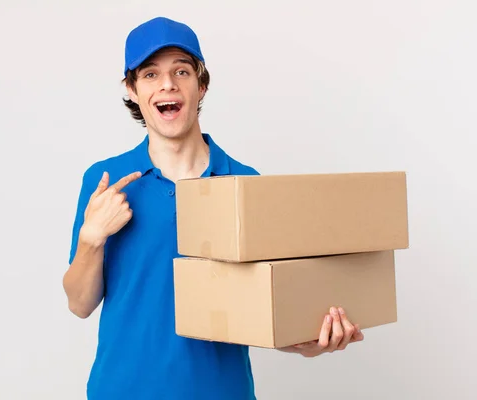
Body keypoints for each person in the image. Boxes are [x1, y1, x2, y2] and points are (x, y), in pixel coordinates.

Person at [63, 16, 364, 400]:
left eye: (181, 71)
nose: (167, 83)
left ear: (201, 85)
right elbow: (79, 304)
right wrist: (91, 239)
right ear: (133, 90)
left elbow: (267, 313)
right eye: (150, 74)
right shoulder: (105, 180)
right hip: (122, 390)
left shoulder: (245, 183)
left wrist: (311, 341)